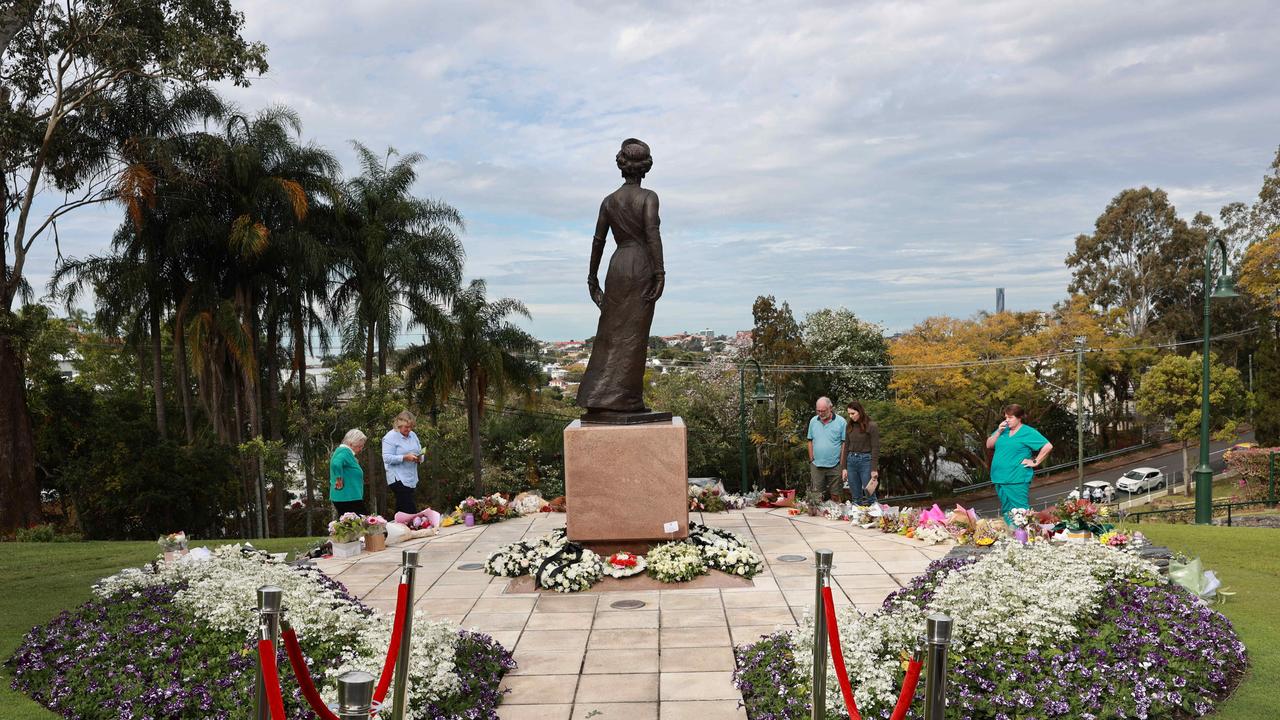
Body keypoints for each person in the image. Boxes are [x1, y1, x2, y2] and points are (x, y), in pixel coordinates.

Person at [577, 139, 666, 418]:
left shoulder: (609, 201)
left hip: (616, 267)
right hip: (640, 266)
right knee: (633, 336)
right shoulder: (649, 197)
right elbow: (652, 234)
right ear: (645, 168)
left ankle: (599, 395)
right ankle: (625, 399)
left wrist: (592, 277)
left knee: (610, 333)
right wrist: (660, 272)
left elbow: (598, 241)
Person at [986, 404, 1053, 523]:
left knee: (1021, 510)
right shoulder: (1003, 430)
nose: (1007, 420)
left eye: (1010, 417)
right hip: (999, 477)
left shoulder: (1028, 432)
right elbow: (989, 445)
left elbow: (1047, 446)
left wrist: (1035, 461)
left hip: (1016, 477)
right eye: (1006, 417)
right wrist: (998, 431)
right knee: (1007, 509)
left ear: (1019, 417)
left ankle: (1025, 537)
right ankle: (1013, 535)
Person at [807, 396, 847, 505]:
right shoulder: (813, 421)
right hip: (816, 465)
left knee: (836, 494)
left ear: (830, 408)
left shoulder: (841, 422)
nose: (820, 413)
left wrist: (841, 463)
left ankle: (836, 515)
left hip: (835, 465)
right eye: (818, 411)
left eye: (823, 411)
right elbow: (809, 440)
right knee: (816, 495)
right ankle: (816, 518)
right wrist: (811, 459)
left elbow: (844, 443)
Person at [382, 410, 424, 515]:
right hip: (397, 478)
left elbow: (420, 451)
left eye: (411, 427)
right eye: (406, 427)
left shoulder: (413, 435)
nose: (409, 429)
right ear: (399, 425)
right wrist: (404, 457)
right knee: (409, 508)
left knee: (401, 508)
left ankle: (397, 529)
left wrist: (420, 458)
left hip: (411, 476)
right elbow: (386, 458)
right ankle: (416, 527)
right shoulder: (389, 437)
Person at [842, 400, 881, 505]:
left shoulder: (872, 426)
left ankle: (876, 518)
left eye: (853, 413)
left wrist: (873, 469)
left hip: (866, 462)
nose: (850, 416)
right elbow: (846, 447)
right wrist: (844, 468)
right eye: (849, 413)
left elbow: (875, 448)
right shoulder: (849, 426)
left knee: (870, 495)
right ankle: (858, 518)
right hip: (851, 461)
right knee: (855, 497)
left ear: (860, 411)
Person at [330, 429, 367, 516]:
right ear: (351, 444)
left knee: (349, 526)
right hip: (348, 498)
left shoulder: (343, 452)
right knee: (363, 524)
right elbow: (336, 463)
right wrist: (339, 479)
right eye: (359, 446)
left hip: (348, 497)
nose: (361, 449)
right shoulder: (345, 452)